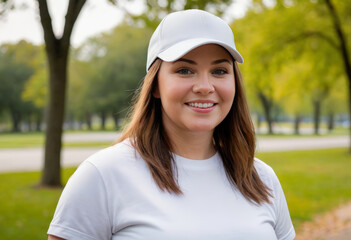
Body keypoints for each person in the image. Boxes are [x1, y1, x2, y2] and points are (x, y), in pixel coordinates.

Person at [47, 9, 295, 240]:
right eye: (185, 70)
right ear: (155, 84)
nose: (205, 87)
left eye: (219, 71)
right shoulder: (102, 175)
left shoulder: (261, 178)